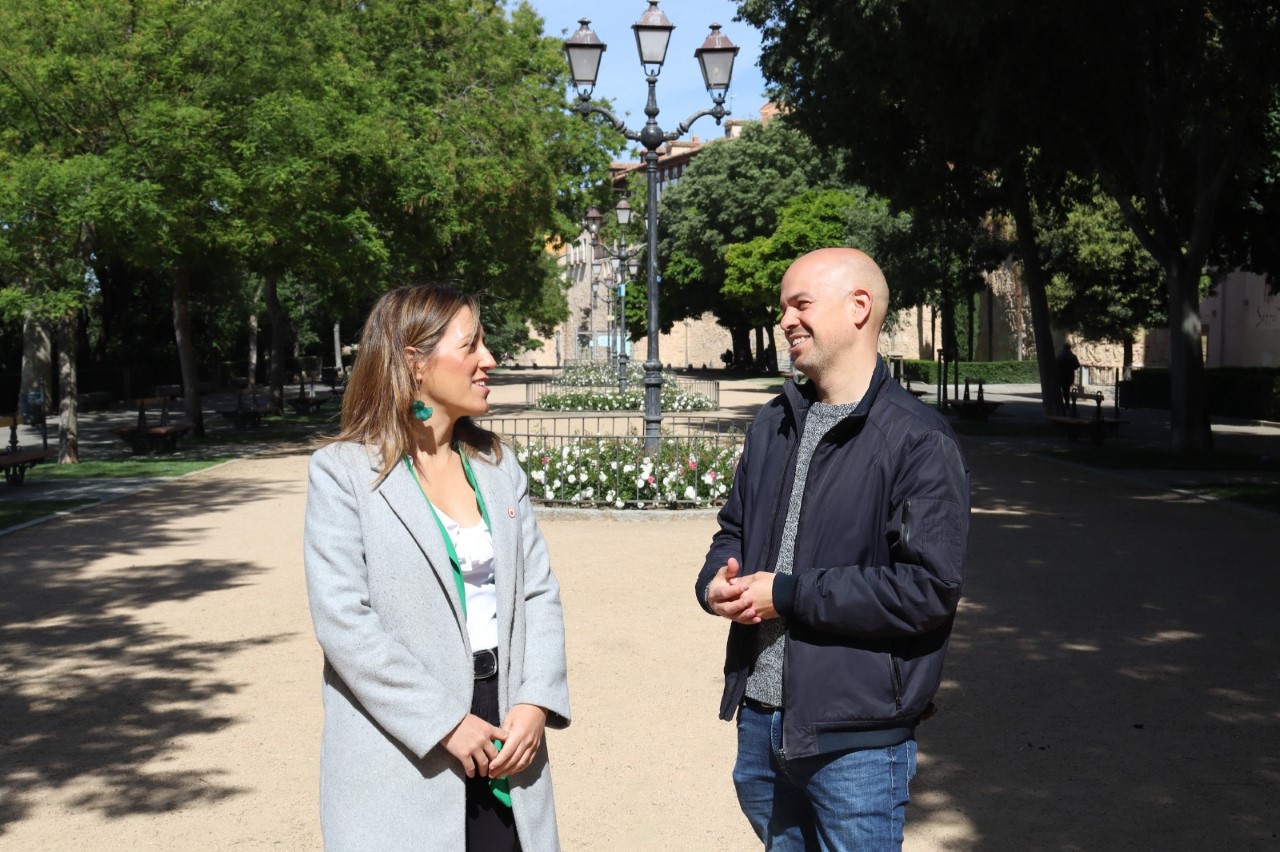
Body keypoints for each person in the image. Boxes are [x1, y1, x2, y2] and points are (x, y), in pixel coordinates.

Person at [695, 248, 970, 851]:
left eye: (801, 304)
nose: (785, 321)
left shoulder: (919, 439)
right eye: (782, 308)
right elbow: (732, 530)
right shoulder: (774, 422)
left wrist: (788, 594)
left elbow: (927, 591)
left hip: (857, 736)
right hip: (762, 722)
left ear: (859, 308)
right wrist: (717, 580)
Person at [303, 284, 570, 851]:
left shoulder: (498, 466)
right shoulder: (344, 473)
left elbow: (538, 594)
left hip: (506, 734)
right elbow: (343, 620)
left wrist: (536, 699)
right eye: (471, 344)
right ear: (413, 361)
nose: (489, 360)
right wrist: (445, 721)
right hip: (405, 747)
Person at [1057, 343, 1080, 409]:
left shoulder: (1059, 356)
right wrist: (1070, 368)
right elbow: (1077, 365)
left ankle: (1061, 403)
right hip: (1069, 375)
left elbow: (1055, 365)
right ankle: (1067, 403)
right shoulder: (1073, 356)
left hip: (1060, 375)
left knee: (1060, 389)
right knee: (1066, 390)